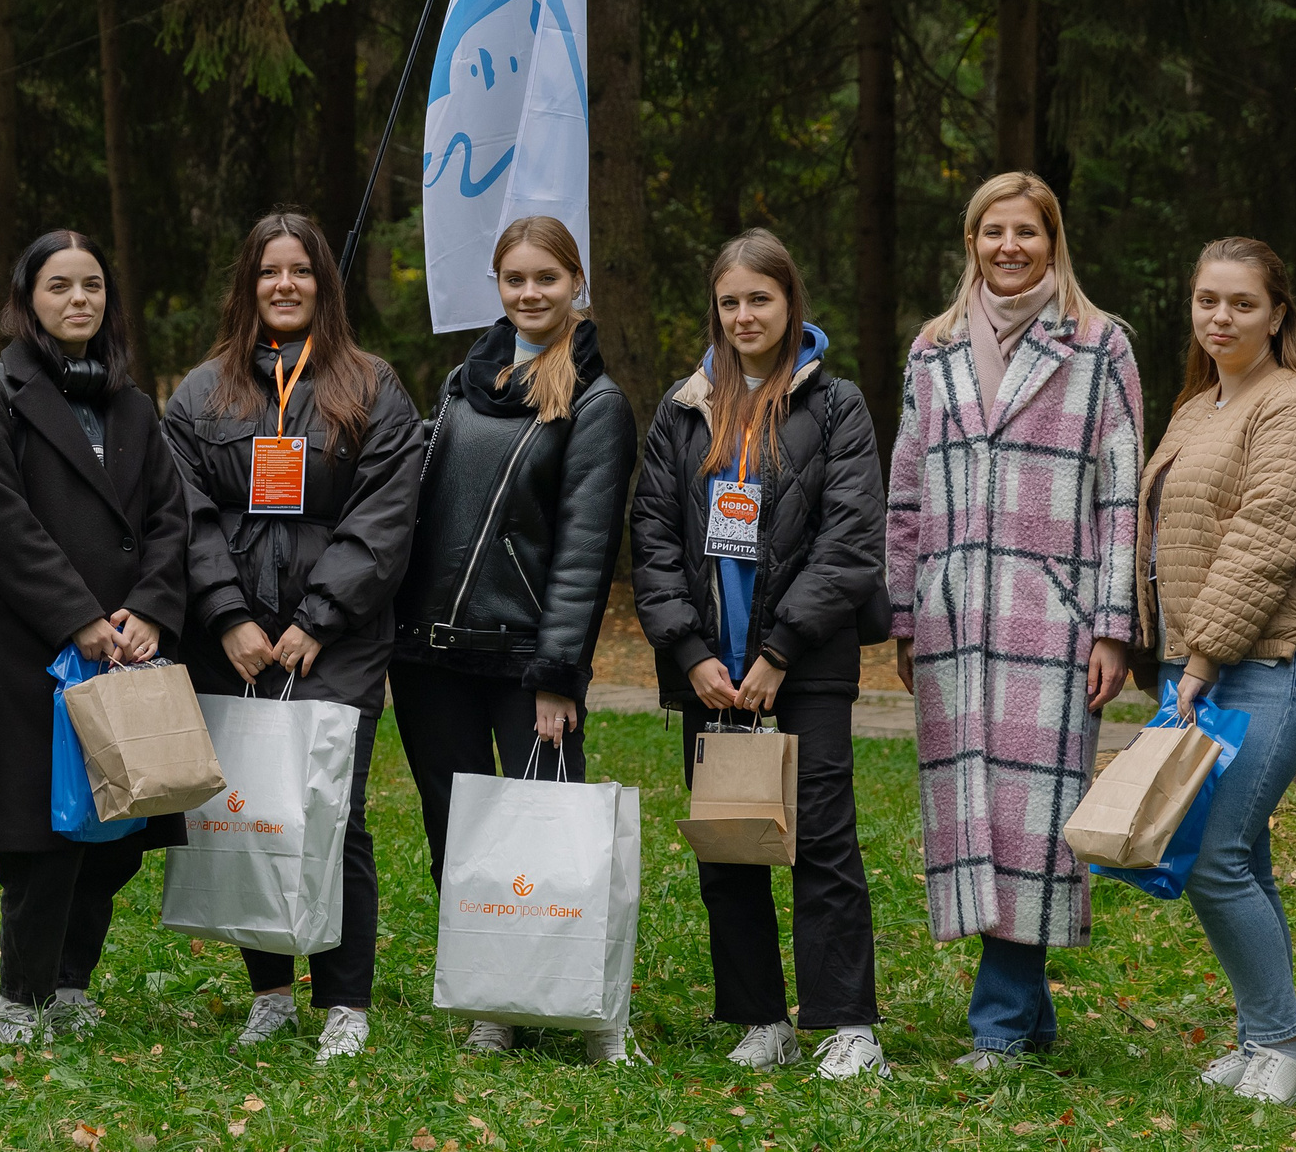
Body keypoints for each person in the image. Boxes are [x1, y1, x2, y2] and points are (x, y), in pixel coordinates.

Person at [883, 170, 1141, 1070]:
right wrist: (906, 611)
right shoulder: (933, 348)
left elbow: (1121, 500)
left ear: (1052, 239)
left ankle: (997, 1025)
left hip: (1052, 614)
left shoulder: (1100, 345)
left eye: (1027, 231)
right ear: (972, 241)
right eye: (994, 231)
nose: (1009, 246)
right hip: (953, 617)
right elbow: (905, 489)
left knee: (1034, 819)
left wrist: (1112, 623)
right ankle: (1027, 1018)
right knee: (974, 811)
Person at [164, 212, 424, 1065]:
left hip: (337, 639)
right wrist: (227, 616)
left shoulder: (372, 386)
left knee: (331, 808)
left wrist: (318, 617)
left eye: (301, 270)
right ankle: (270, 993)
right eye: (270, 270)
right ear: (249, 283)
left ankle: (345, 999)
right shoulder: (201, 393)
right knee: (250, 806)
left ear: (324, 284)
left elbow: (385, 516)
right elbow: (185, 515)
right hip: (231, 638)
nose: (285, 284)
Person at [629, 228, 888, 1080]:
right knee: (729, 843)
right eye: (730, 301)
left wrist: (780, 649)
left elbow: (850, 538)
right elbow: (652, 536)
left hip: (803, 661)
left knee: (823, 839)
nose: (745, 315)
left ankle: (847, 1023)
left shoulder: (836, 404)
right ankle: (760, 1017)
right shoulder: (683, 407)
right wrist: (690, 650)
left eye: (760, 299)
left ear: (790, 302)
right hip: (710, 669)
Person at [390, 215, 640, 1064]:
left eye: (547, 277)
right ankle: (493, 1000)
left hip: (526, 659)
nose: (530, 293)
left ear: (577, 283)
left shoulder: (597, 402)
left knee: (549, 838)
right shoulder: (463, 382)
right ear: (496, 286)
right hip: (427, 654)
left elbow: (585, 547)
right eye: (515, 279)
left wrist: (557, 671)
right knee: (456, 838)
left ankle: (577, 1000)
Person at [0, 230, 192, 1046]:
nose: (78, 299)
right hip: (38, 649)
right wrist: (77, 615)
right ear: (28, 298)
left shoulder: (133, 403)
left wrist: (150, 608)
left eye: (92, 284)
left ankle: (70, 982)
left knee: (118, 829)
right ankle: (20, 995)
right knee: (43, 827)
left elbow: (169, 517)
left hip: (128, 648)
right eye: (59, 285)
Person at [1132, 239, 1296, 1104]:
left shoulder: (1292, 406)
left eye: (1242, 303)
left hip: (1270, 662)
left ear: (1277, 313)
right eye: (1207, 300)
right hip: (1201, 665)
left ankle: (1286, 1048)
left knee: (1215, 856)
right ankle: (1262, 1037)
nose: (1220, 317)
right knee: (1241, 858)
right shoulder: (1197, 407)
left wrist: (1200, 660)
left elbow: (1264, 542)